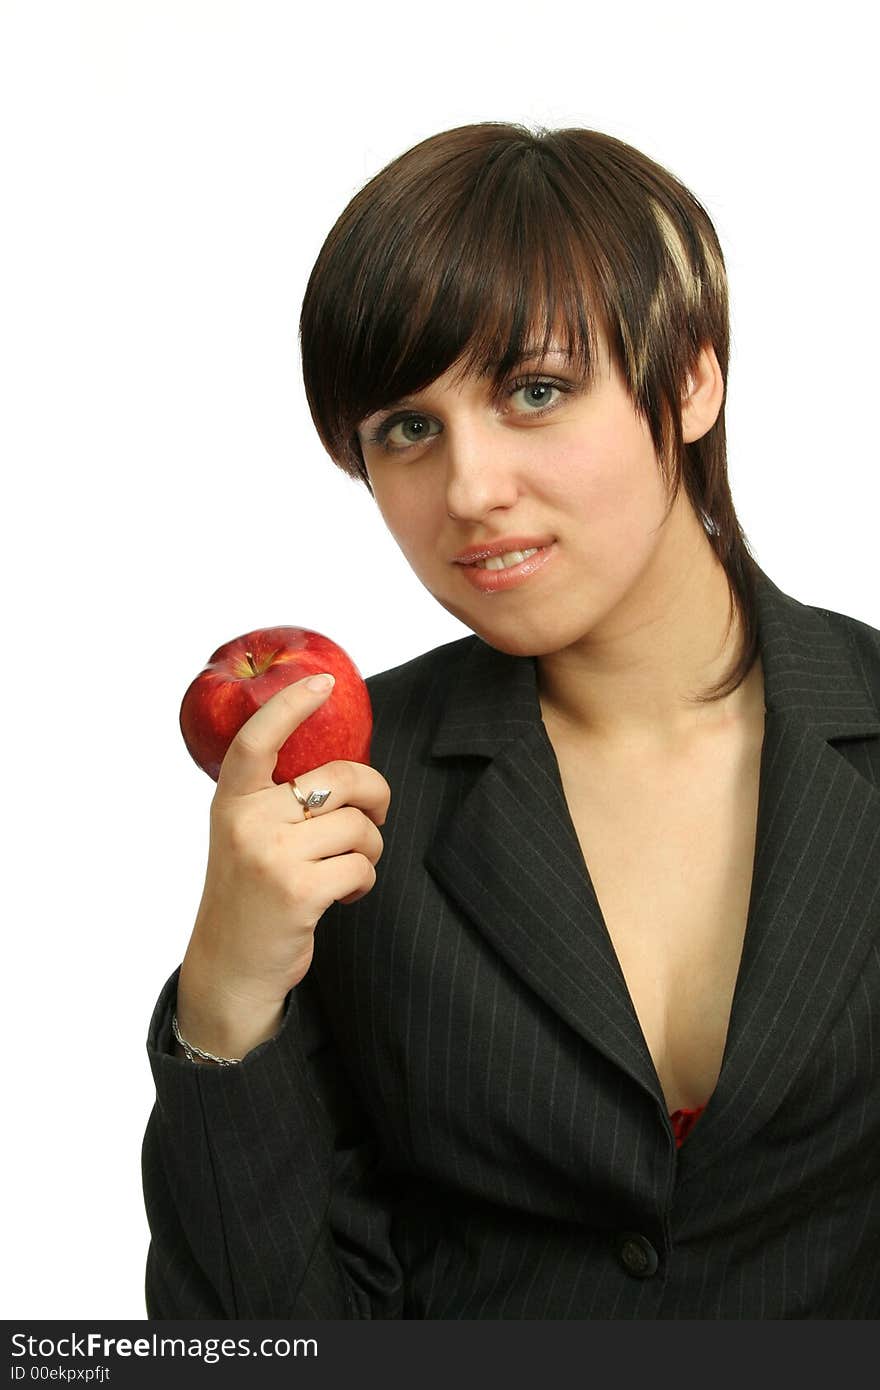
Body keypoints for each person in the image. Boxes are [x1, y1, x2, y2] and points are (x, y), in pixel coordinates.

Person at [142, 122, 880, 1319]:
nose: (471, 490)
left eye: (534, 391)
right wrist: (225, 1005)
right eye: (407, 429)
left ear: (691, 376)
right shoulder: (347, 797)